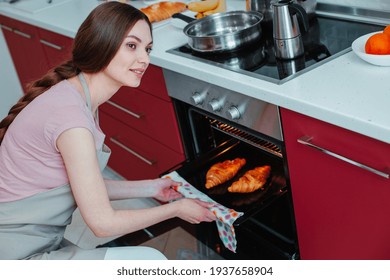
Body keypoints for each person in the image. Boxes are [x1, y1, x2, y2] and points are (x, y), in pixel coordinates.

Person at [0, 2, 216, 260]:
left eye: (147, 49)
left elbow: (80, 186)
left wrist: (152, 188)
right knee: (148, 261)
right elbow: (103, 224)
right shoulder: (72, 121)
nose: (144, 59)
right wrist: (177, 209)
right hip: (15, 254)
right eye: (132, 46)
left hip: (36, 239)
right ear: (101, 44)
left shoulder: (79, 97)